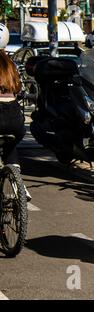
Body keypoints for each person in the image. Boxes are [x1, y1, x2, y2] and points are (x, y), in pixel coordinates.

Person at [0, 24, 31, 201]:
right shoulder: (11, 64)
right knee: (10, 145)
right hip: (14, 117)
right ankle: (20, 186)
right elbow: (19, 89)